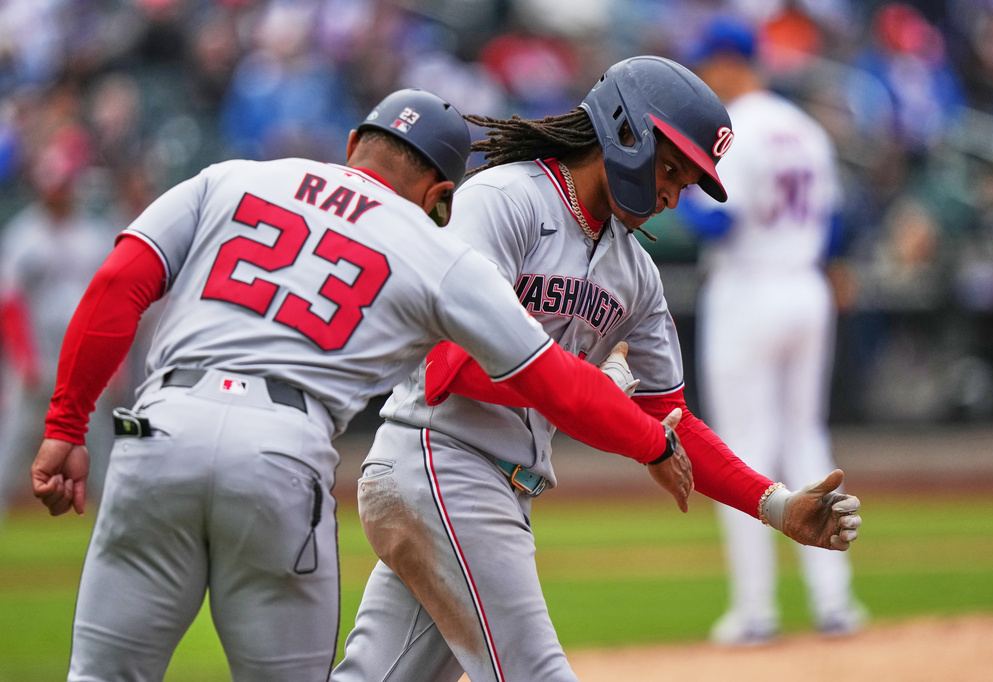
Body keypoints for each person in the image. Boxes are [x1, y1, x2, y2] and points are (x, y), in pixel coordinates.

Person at [29, 88, 695, 682]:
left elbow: (120, 284)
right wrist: (653, 443)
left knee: (100, 673)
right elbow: (553, 380)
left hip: (157, 427)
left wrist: (65, 427)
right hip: (279, 448)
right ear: (441, 198)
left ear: (352, 144)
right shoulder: (434, 250)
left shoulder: (232, 178)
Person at [333, 56, 863, 682]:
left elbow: (672, 424)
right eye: (671, 167)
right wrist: (611, 401)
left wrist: (776, 505)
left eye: (686, 182)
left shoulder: (636, 275)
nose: (671, 193)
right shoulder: (507, 198)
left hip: (483, 486)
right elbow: (462, 366)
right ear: (626, 130)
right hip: (442, 462)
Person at [680, 18, 867, 644]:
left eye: (709, 65)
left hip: (749, 289)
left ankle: (756, 610)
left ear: (731, 63)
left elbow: (716, 226)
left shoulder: (739, 128)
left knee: (743, 451)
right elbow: (839, 223)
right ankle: (835, 600)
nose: (705, 78)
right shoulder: (803, 126)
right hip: (804, 283)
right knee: (806, 440)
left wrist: (673, 189)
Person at [0, 124, 117, 527]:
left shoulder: (95, 234)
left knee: (98, 431)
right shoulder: (24, 234)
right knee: (16, 434)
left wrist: (113, 362)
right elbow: (9, 304)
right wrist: (24, 359)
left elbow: (111, 303)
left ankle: (106, 513)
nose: (60, 190)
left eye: (65, 183)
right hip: (39, 353)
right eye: (55, 183)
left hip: (85, 353)